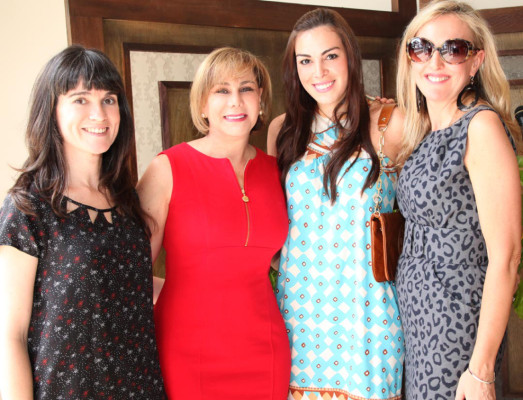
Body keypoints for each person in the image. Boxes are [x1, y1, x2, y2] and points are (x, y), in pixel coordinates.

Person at [0, 45, 165, 399]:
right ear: (52, 111)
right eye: (80, 99)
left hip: (140, 388)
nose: (100, 113)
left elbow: (121, 283)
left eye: (109, 99)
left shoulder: (127, 201)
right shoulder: (28, 206)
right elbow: (8, 334)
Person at [137, 47, 291, 399]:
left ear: (261, 101)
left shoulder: (278, 172)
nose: (235, 101)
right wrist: (177, 293)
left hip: (265, 349)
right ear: (202, 105)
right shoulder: (167, 168)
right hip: (187, 349)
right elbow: (132, 270)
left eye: (246, 89)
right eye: (221, 90)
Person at [267, 8, 405, 400]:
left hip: (369, 317)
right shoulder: (283, 130)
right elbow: (278, 219)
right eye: (305, 61)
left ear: (350, 57)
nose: (319, 72)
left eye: (330, 56)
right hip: (301, 318)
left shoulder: (389, 122)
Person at [394, 1, 521, 399]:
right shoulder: (428, 128)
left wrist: (480, 370)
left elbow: (508, 255)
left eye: (454, 49)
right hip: (419, 321)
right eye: (422, 48)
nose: (436, 60)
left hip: (456, 326)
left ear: (476, 61)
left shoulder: (479, 126)